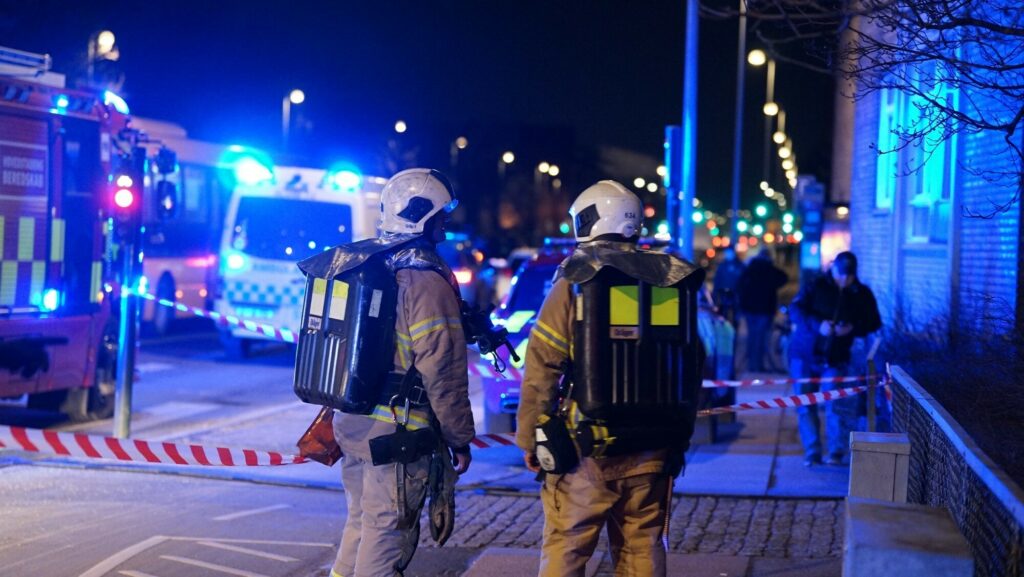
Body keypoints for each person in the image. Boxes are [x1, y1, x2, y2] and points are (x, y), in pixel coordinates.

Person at [516, 180, 704, 577]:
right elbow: (691, 366)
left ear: (588, 221)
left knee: (567, 548)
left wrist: (530, 438)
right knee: (642, 548)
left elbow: (542, 366)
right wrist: (679, 439)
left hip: (588, 449)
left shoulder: (576, 281)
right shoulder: (669, 281)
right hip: (654, 448)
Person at [310, 168, 476, 577]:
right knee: (386, 536)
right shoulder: (425, 280)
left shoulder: (370, 264)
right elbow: (443, 369)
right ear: (420, 215)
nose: (445, 226)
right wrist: (459, 437)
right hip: (398, 435)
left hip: (353, 421)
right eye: (440, 216)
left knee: (361, 523)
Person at [788, 251, 881, 467]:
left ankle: (836, 452)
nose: (844, 280)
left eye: (849, 276)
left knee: (835, 404)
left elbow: (874, 322)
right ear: (833, 269)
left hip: (836, 357)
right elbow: (795, 310)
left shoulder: (861, 293)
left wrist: (852, 328)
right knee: (805, 404)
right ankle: (812, 451)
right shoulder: (816, 285)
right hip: (805, 354)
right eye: (841, 274)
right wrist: (817, 325)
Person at [737, 248, 788, 372]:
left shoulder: (750, 268)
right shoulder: (770, 270)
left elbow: (739, 285)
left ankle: (751, 365)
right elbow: (784, 278)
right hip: (765, 309)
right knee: (761, 338)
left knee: (752, 336)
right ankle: (758, 365)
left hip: (749, 309)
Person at [711, 246, 745, 325]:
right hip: (724, 294)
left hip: (735, 294)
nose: (727, 254)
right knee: (724, 315)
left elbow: (744, 281)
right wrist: (715, 295)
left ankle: (734, 328)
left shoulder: (739, 265)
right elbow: (717, 280)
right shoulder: (722, 266)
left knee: (735, 316)